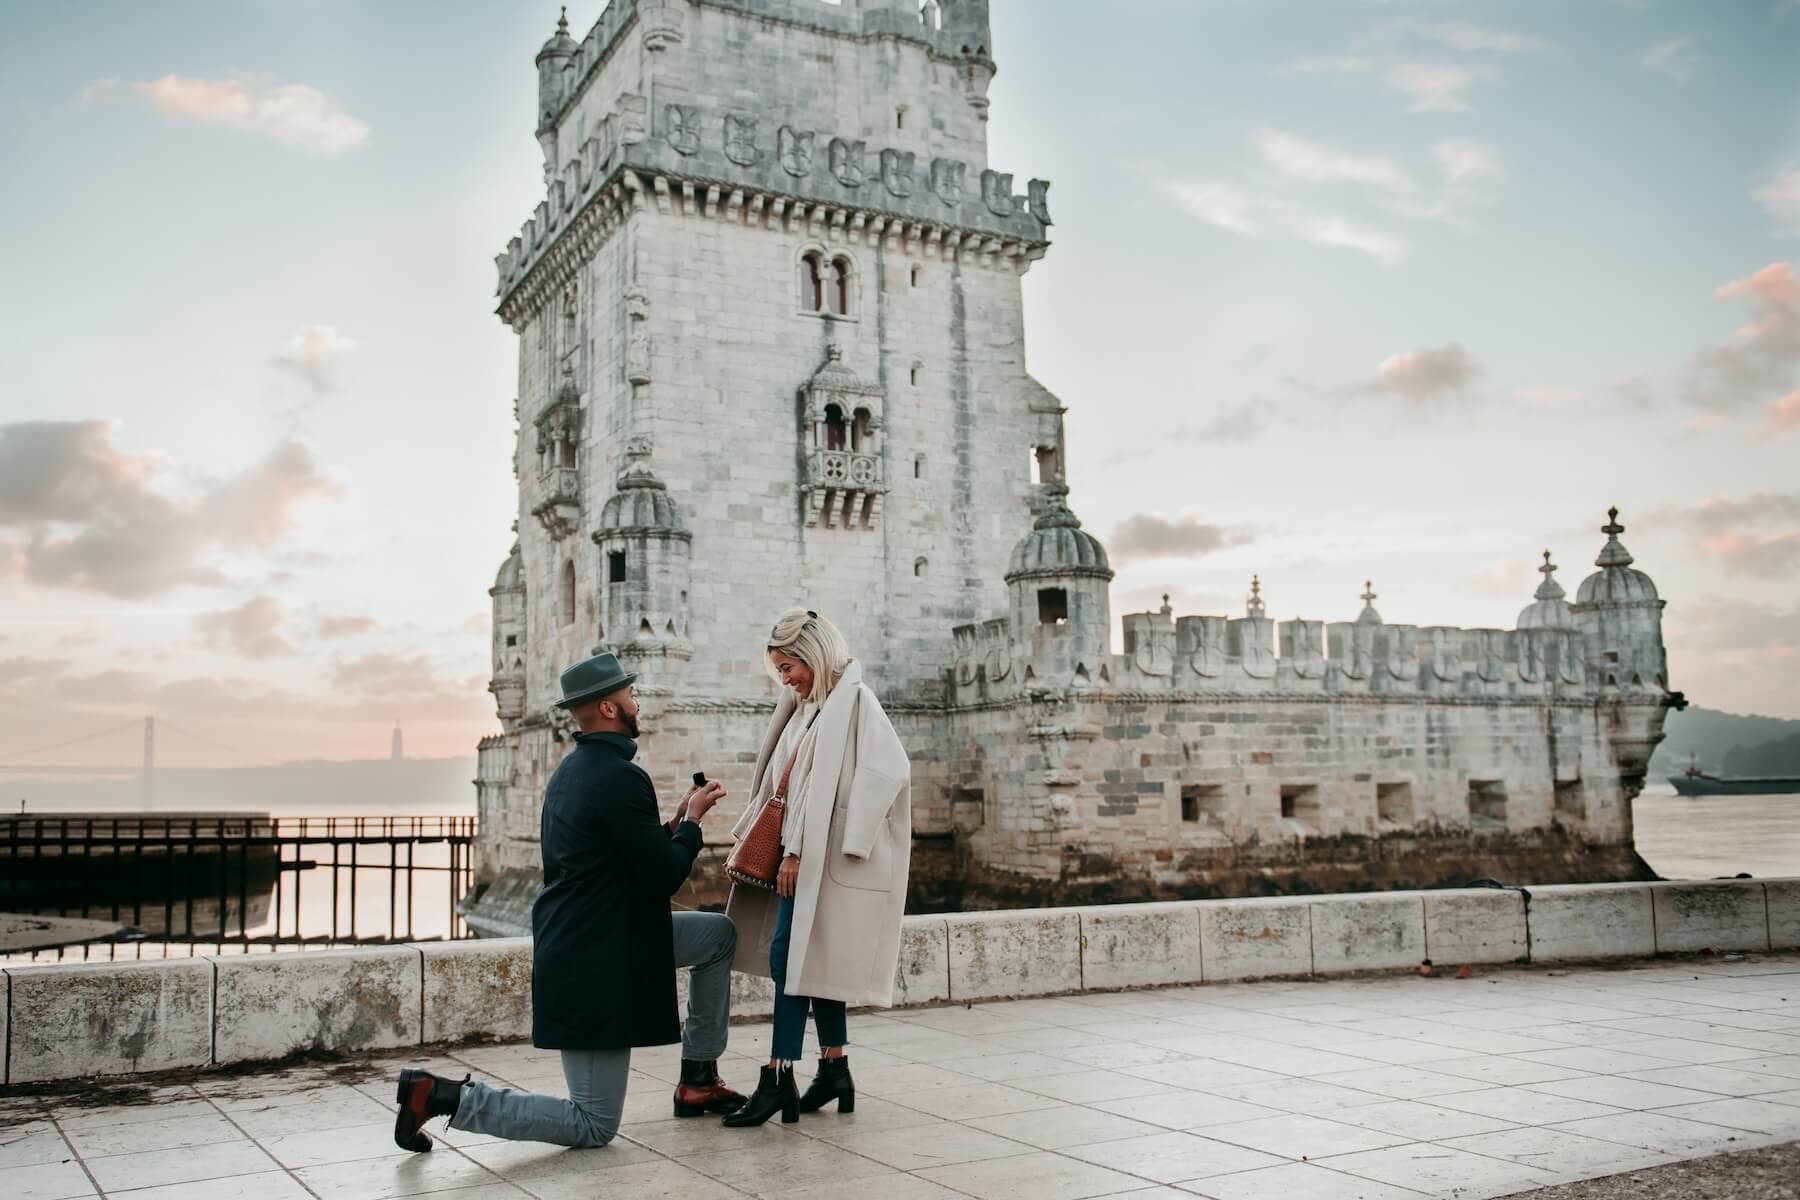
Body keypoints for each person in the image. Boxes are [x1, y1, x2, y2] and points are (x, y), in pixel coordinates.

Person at [392, 651, 746, 1151]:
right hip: (596, 959)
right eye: (628, 694)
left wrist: (673, 823)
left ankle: (699, 1078)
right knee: (593, 1124)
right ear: (607, 707)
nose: (636, 702)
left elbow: (623, 852)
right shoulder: (621, 777)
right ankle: (441, 1097)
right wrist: (692, 825)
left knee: (716, 936)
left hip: (598, 938)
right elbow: (662, 875)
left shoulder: (574, 771)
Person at [722, 609, 912, 1126]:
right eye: (779, 671)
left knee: (790, 958)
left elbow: (889, 769)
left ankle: (777, 1074)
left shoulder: (855, 704)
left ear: (814, 655)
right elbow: (785, 783)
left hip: (813, 862)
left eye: (790, 667)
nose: (785, 679)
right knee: (813, 959)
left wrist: (807, 849)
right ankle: (834, 1067)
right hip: (798, 856)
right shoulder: (807, 708)